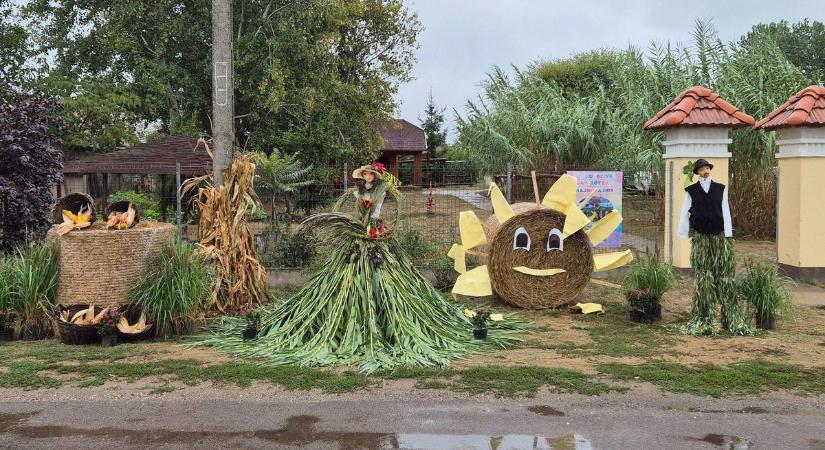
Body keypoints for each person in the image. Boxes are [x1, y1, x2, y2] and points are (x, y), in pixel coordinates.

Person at [198, 162, 522, 372]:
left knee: (391, 283)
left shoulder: (380, 192)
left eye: (369, 175)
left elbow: (378, 212)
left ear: (376, 177)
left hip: (376, 239)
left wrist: (374, 227)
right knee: (340, 284)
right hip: (359, 239)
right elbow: (359, 211)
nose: (366, 178)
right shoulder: (357, 192)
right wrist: (361, 224)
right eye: (364, 175)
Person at [678, 159, 750, 335]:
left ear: (710, 170)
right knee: (704, 275)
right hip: (701, 236)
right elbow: (685, 211)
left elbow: (725, 210)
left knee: (724, 275)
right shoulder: (691, 191)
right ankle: (704, 317)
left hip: (718, 236)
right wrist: (683, 232)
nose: (705, 171)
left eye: (707, 168)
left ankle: (730, 317)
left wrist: (728, 234)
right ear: (697, 173)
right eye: (701, 169)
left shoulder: (720, 189)